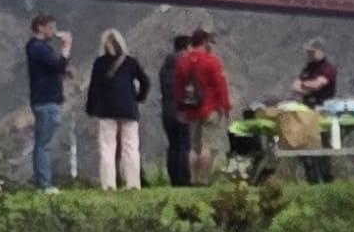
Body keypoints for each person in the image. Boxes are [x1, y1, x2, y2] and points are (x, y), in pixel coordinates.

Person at [163, 23, 233, 187]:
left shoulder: (183, 62)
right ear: (204, 43)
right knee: (207, 146)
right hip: (211, 110)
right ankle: (203, 180)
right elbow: (220, 85)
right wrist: (226, 106)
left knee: (194, 147)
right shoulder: (212, 61)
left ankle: (193, 179)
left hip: (192, 110)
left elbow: (178, 87)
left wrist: (181, 108)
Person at [85, 27, 152, 189]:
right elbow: (146, 82)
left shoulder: (99, 63)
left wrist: (91, 108)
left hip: (107, 110)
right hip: (129, 109)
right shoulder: (131, 62)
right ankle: (133, 184)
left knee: (108, 148)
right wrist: (139, 98)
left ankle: (109, 184)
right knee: (131, 147)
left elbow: (94, 87)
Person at [23, 14, 74, 189]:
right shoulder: (38, 47)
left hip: (44, 98)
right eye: (51, 27)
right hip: (46, 100)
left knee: (43, 142)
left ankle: (44, 183)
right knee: (43, 144)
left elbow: (52, 68)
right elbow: (58, 64)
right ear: (40, 27)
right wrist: (67, 47)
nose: (54, 31)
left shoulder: (40, 48)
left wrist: (62, 73)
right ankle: (44, 184)